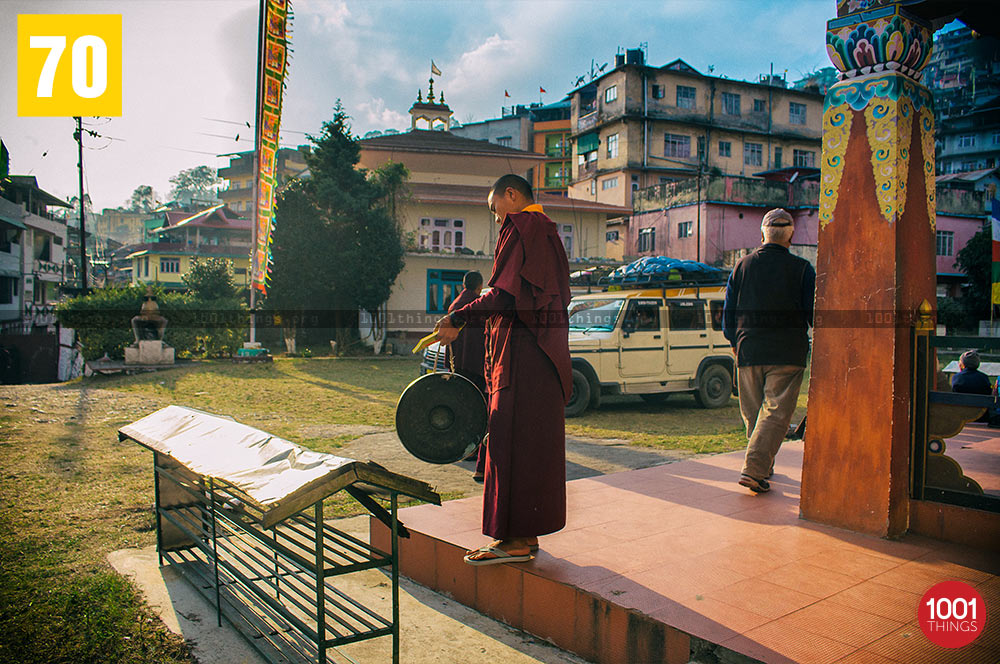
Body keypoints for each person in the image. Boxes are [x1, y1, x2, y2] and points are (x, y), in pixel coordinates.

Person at [435, 174, 571, 565]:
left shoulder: (523, 226)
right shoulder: (548, 233)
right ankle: (524, 537)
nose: (497, 219)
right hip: (542, 357)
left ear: (511, 195)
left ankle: (513, 540)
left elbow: (504, 295)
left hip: (523, 356)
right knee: (531, 445)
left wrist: (457, 317)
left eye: (494, 208)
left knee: (509, 442)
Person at [723, 208, 815, 494]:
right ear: (791, 236)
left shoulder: (742, 265)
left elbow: (728, 315)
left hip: (748, 349)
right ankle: (755, 469)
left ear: (762, 234)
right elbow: (813, 314)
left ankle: (761, 468)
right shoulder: (803, 269)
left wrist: (734, 342)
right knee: (774, 414)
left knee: (754, 415)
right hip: (787, 353)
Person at [447, 271, 488, 480]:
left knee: (465, 409)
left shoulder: (454, 305)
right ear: (479, 286)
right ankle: (477, 454)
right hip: (477, 366)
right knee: (480, 411)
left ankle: (468, 450)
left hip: (459, 366)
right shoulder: (478, 306)